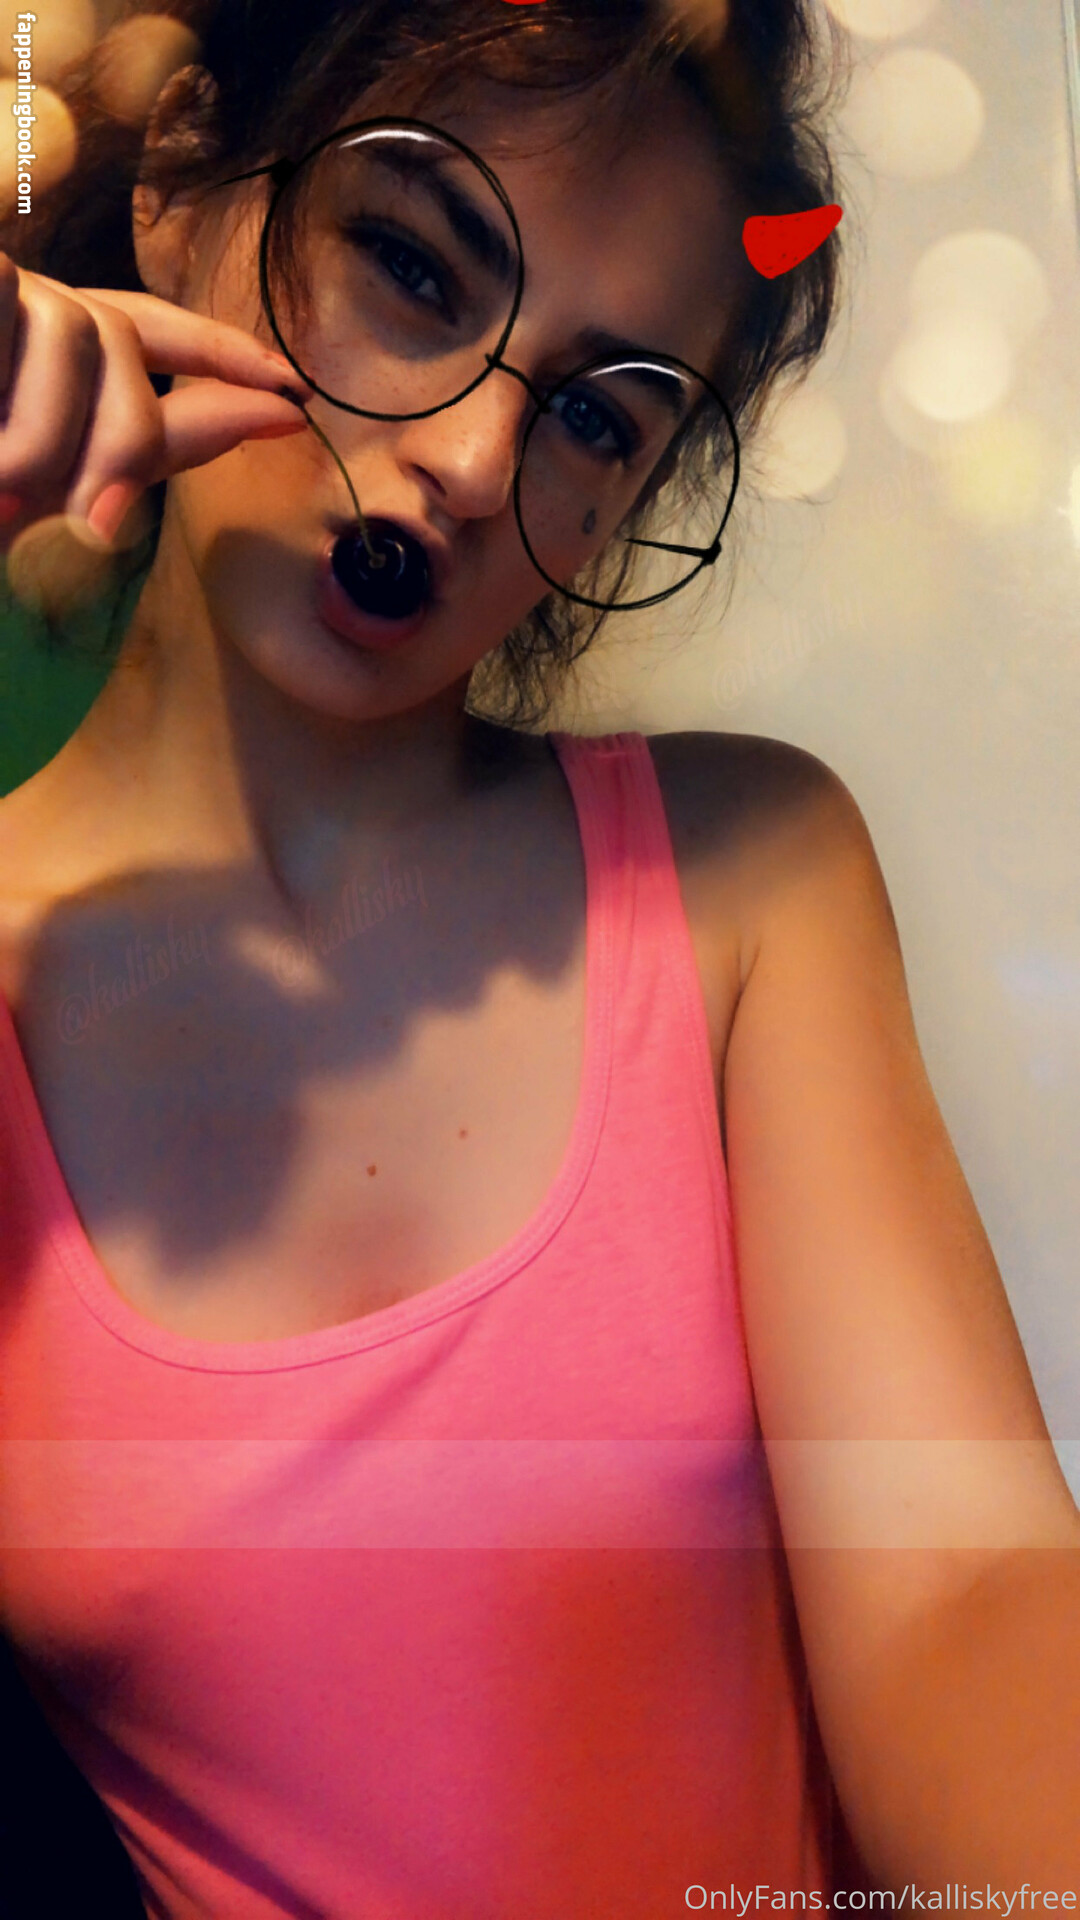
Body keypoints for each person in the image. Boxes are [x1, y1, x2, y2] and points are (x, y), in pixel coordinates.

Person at [0, 2, 1078, 1915]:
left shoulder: (743, 877)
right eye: (416, 269)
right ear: (176, 182)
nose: (479, 458)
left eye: (597, 414)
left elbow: (966, 1588)